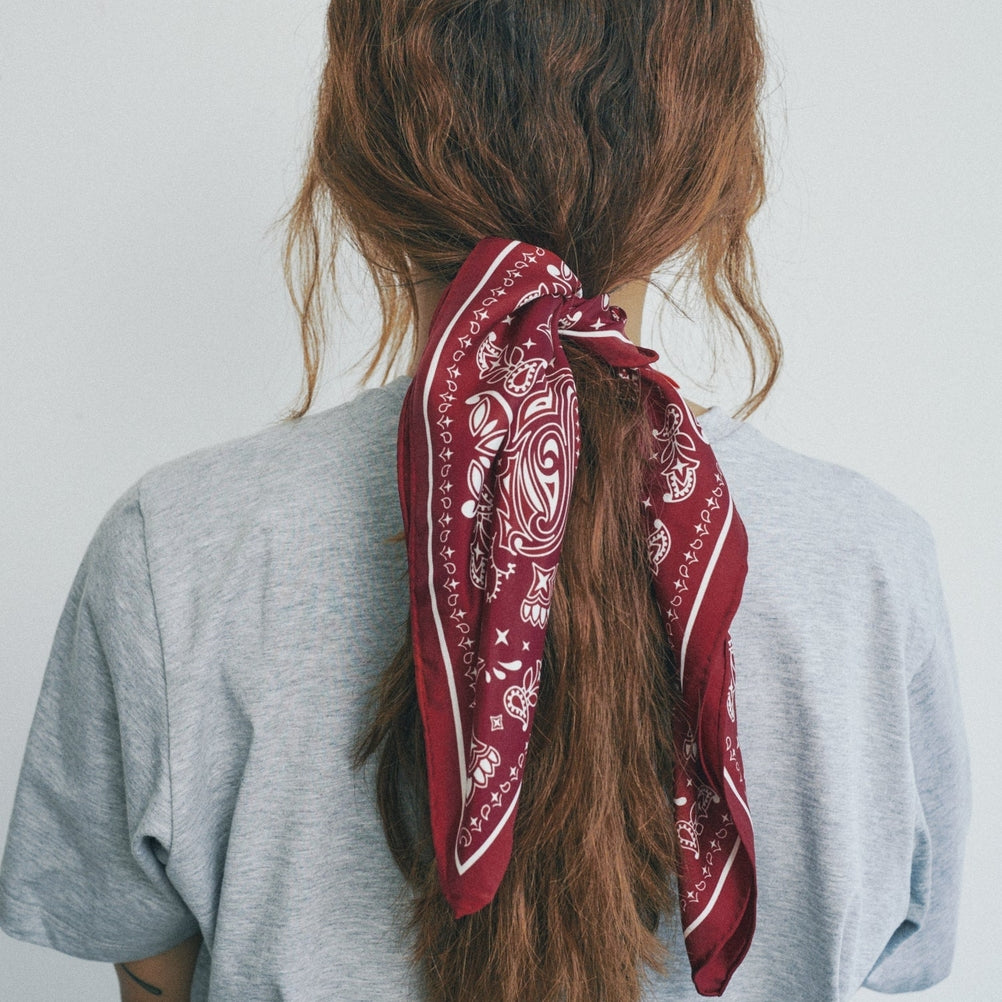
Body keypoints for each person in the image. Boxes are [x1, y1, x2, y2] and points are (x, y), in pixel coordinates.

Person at [0, 1, 970, 1001]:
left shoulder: (176, 554)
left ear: (359, 166)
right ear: (718, 173)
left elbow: (153, 975)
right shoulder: (871, 571)